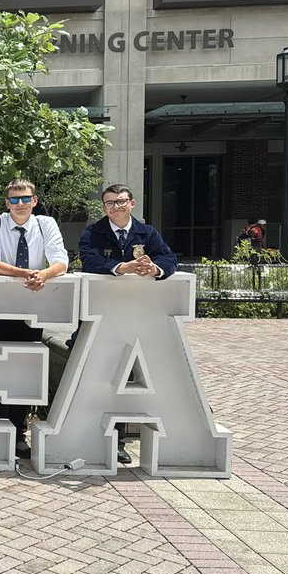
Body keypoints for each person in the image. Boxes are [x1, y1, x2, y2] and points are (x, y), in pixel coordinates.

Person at [78, 183, 178, 465]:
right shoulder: (94, 232)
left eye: (121, 202)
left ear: (132, 204)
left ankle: (118, 441)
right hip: (101, 316)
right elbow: (88, 259)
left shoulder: (147, 233)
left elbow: (168, 258)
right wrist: (122, 268)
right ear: (104, 208)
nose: (116, 208)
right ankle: (89, 434)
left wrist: (153, 269)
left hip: (138, 318)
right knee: (99, 378)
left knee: (126, 380)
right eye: (110, 204)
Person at [0, 178, 69, 459]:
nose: (20, 204)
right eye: (14, 200)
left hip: (31, 306)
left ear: (34, 201)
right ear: (7, 203)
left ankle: (18, 433)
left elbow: (61, 261)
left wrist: (43, 274)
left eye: (25, 199)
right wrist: (27, 273)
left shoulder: (45, 224)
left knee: (24, 371)